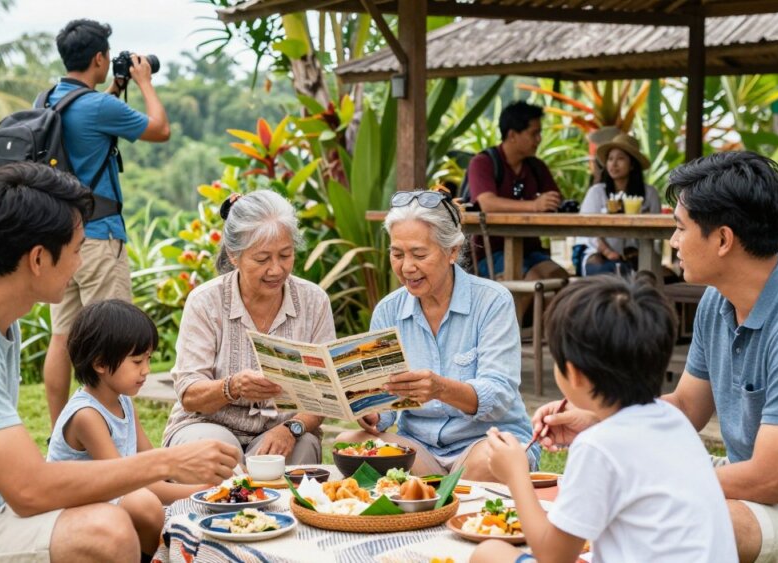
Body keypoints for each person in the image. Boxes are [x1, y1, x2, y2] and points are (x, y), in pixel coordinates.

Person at [0, 162, 239, 563]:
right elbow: (29, 489)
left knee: (118, 513)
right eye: (76, 250)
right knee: (105, 533)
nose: (80, 263)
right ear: (38, 259)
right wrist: (171, 460)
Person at [533, 152, 778, 563]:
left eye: (680, 227)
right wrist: (598, 418)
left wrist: (651, 479)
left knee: (686, 514)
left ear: (723, 239)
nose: (674, 242)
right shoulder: (719, 301)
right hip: (748, 483)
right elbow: (685, 406)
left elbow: (769, 481)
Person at [474, 276, 737, 563]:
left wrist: (516, 476)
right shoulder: (673, 422)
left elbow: (553, 556)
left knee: (489, 554)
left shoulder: (597, 447)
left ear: (572, 373)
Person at [336, 189, 537, 480]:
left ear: (452, 251)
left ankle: (434, 497)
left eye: (419, 254)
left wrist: (441, 388)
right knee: (350, 443)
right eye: (397, 254)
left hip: (485, 441)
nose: (407, 267)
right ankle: (435, 496)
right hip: (420, 449)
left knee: (488, 460)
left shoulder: (492, 301)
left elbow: (500, 395)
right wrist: (372, 413)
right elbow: (385, 405)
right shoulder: (388, 311)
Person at [43, 19, 171, 430]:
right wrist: (145, 81)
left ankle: (58, 431)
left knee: (63, 336)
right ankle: (117, 433)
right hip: (100, 239)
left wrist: (116, 87)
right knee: (116, 338)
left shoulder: (49, 100)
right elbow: (160, 130)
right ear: (99, 58)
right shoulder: (99, 107)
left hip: (61, 240)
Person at [162, 190, 333, 465]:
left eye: (285, 255)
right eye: (262, 259)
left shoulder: (314, 301)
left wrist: (292, 428)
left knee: (302, 448)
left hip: (281, 430)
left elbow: (324, 395)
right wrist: (232, 387)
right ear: (234, 255)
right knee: (220, 452)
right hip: (206, 425)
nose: (276, 269)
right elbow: (189, 394)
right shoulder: (206, 301)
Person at [47, 299, 211, 556]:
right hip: (80, 506)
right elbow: (126, 482)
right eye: (137, 362)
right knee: (144, 503)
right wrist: (199, 494)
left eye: (148, 359)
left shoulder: (122, 400)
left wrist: (205, 480)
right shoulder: (87, 416)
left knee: (177, 488)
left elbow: (150, 463)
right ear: (100, 364)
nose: (146, 370)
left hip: (117, 493)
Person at [464, 101, 569, 318]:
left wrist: (553, 204)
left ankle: (554, 344)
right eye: (534, 133)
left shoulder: (536, 167)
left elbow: (555, 200)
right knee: (533, 280)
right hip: (490, 256)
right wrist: (535, 205)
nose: (539, 139)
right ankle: (505, 341)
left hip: (530, 251)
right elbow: (487, 203)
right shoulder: (483, 163)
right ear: (512, 135)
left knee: (562, 280)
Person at [578, 132, 661, 276]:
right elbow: (587, 229)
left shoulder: (650, 194)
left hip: (638, 254)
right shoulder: (597, 192)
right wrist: (607, 251)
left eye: (620, 159)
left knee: (651, 276)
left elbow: (657, 234)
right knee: (607, 270)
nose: (613, 164)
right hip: (598, 252)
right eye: (610, 159)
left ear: (632, 165)